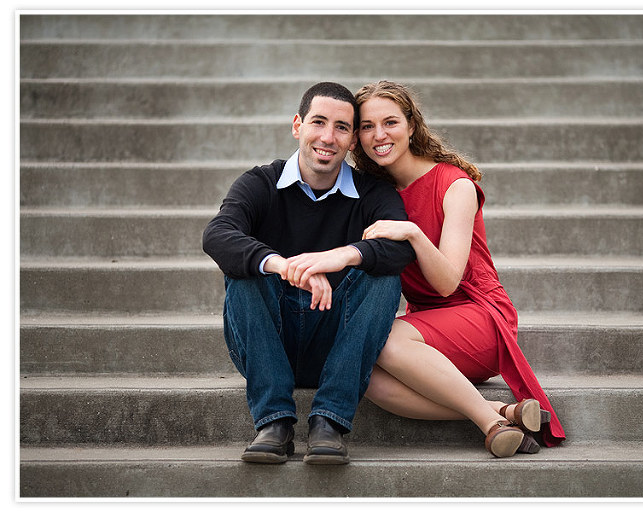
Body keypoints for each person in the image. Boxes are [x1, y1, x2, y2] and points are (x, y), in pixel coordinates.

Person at [202, 82, 415, 465]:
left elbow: (400, 247)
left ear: (353, 141)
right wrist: (286, 265)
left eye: (342, 128)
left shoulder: (373, 194)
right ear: (298, 125)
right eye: (319, 122)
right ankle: (274, 423)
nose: (327, 137)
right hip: (269, 341)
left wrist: (340, 257)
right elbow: (218, 234)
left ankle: (329, 422)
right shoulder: (260, 183)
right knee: (245, 270)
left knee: (384, 275)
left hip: (338, 343)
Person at [351, 80, 566, 457]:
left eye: (390, 122)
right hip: (427, 333)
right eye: (367, 126)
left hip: (479, 315)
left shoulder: (454, 185)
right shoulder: (373, 194)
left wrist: (415, 234)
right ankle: (502, 411)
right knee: (363, 374)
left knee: (382, 341)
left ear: (412, 125)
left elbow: (448, 281)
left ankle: (490, 425)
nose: (379, 135)